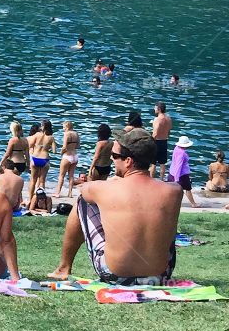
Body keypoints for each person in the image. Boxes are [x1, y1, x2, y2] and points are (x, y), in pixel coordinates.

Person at [49, 128, 181, 284]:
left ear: (128, 161)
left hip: (116, 276)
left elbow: (85, 190)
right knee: (164, 217)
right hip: (160, 276)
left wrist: (112, 182)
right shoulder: (174, 191)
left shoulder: (104, 188)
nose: (112, 159)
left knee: (83, 202)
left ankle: (64, 267)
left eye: (115, 156)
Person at [170, 135, 198, 207]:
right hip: (181, 175)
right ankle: (193, 204)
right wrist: (177, 179)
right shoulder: (182, 153)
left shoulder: (176, 148)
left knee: (172, 189)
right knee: (188, 189)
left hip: (172, 172)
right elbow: (179, 166)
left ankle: (171, 202)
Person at [54, 121, 81, 198]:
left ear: (67, 127)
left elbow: (64, 147)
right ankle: (70, 193)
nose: (63, 129)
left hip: (67, 156)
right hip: (75, 156)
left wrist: (61, 153)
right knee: (71, 175)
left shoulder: (66, 134)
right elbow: (78, 146)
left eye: (64, 127)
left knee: (61, 175)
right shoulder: (76, 134)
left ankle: (57, 193)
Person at [28, 119, 54, 194]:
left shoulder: (37, 135)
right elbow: (54, 150)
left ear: (42, 126)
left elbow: (30, 145)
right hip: (45, 159)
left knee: (33, 180)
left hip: (35, 158)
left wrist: (38, 146)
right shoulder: (51, 137)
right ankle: (40, 199)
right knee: (42, 181)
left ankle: (30, 199)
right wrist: (46, 147)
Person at [151, 102, 172, 179]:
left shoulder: (157, 119)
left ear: (159, 109)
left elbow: (155, 133)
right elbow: (169, 131)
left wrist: (150, 141)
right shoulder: (169, 119)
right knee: (162, 163)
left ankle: (151, 180)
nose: (154, 109)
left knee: (153, 163)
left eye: (155, 108)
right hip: (164, 141)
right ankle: (162, 179)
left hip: (156, 142)